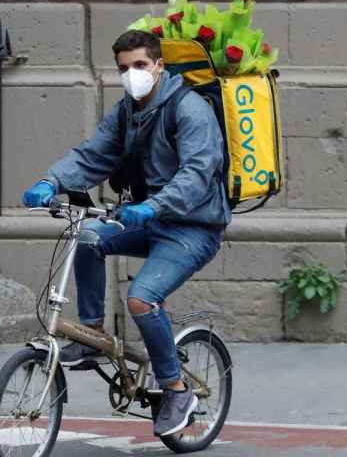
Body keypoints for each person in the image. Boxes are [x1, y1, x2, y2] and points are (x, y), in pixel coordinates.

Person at [22, 29, 231, 438]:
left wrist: (154, 206)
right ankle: (92, 333)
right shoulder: (127, 112)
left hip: (193, 227)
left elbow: (196, 174)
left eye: (139, 65)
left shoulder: (190, 111)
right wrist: (50, 182)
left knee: (141, 300)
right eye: (123, 68)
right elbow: (92, 153)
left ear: (159, 66)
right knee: (87, 237)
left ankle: (175, 389)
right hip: (146, 217)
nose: (131, 74)